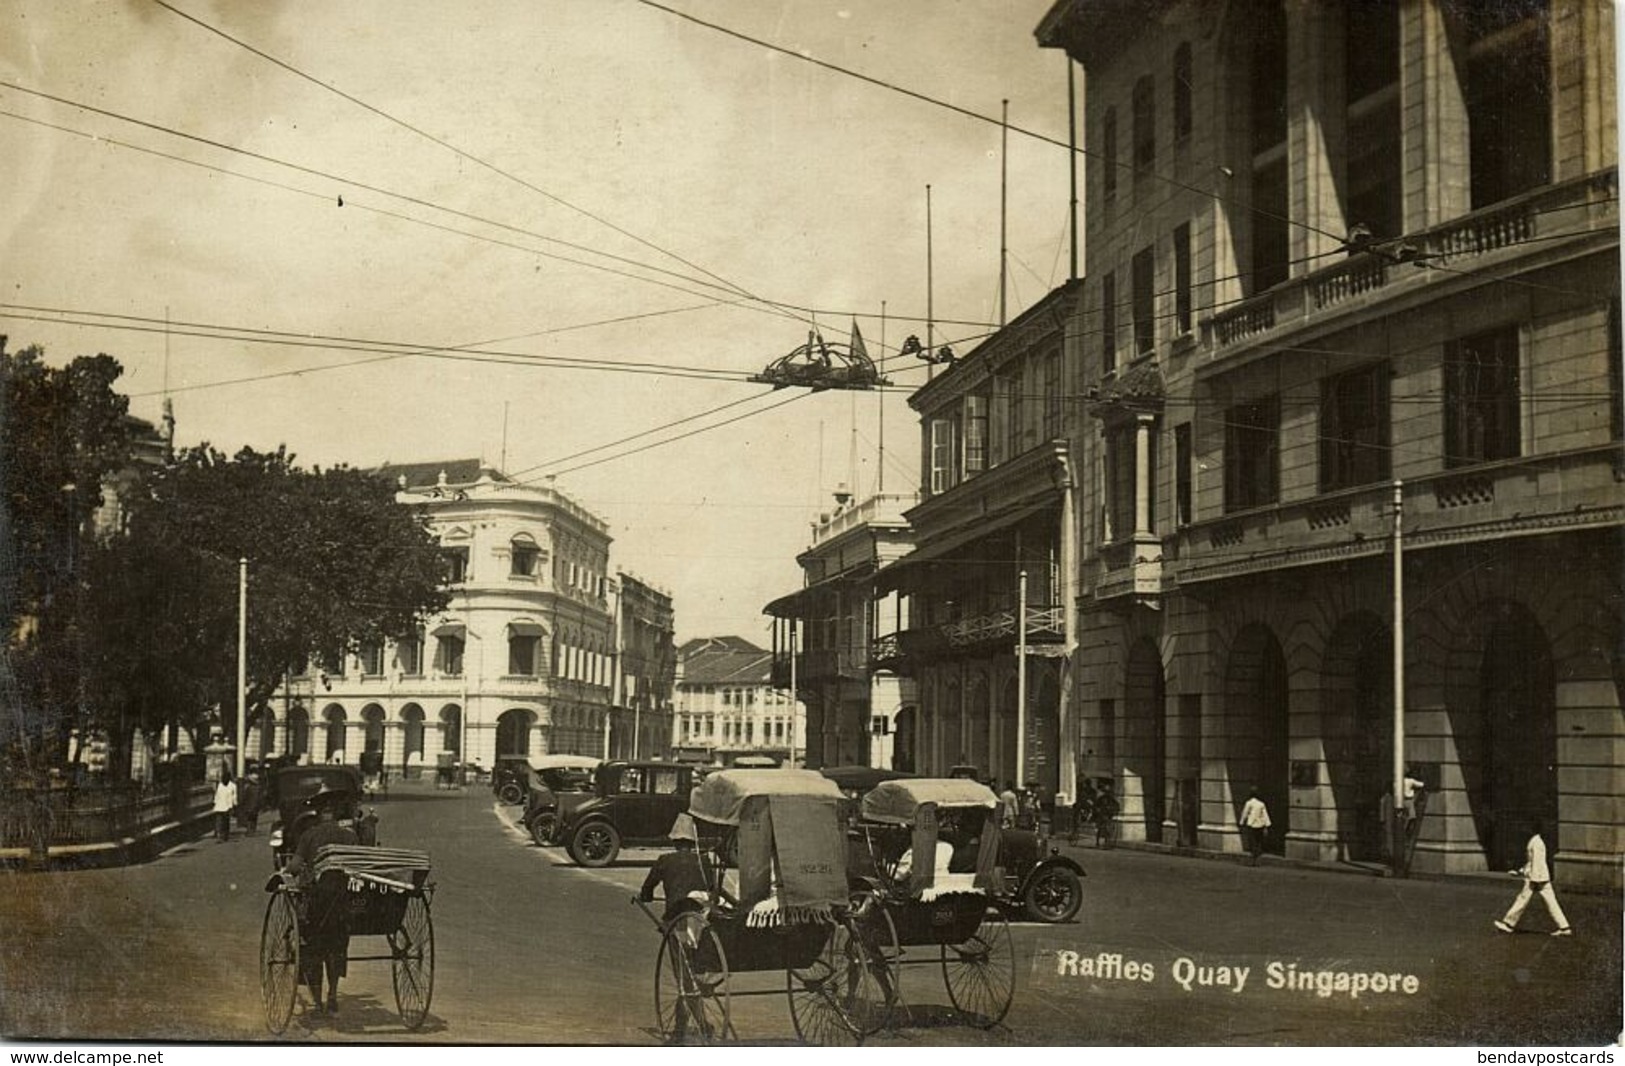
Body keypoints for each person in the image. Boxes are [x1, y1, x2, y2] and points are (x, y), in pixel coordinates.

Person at [293, 787, 360, 1015]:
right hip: (343, 903)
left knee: (313, 948)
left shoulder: (309, 835)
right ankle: (332, 993)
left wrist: (289, 869)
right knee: (337, 947)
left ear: (319, 813)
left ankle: (317, 1001)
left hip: (318, 904)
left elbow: (294, 866)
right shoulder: (350, 836)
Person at [1495, 821, 1572, 937]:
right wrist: (1520, 871)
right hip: (1540, 877)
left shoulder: (1536, 842)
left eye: (1527, 827)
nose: (1525, 830)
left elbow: (1537, 862)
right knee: (1551, 901)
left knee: (1522, 899)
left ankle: (1508, 924)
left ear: (1532, 829)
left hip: (1536, 878)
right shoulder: (1536, 841)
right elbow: (1532, 862)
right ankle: (1564, 927)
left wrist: (1535, 879)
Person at [639, 813, 712, 923]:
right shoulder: (704, 860)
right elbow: (711, 886)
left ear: (675, 842)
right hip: (700, 909)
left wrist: (646, 896)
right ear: (693, 843)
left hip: (675, 911)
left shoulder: (665, 860)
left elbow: (649, 884)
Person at [1238, 788, 1271, 866]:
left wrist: (1241, 822)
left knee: (1252, 842)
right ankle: (1257, 858)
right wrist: (1266, 826)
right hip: (1260, 825)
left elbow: (1245, 813)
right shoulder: (1261, 804)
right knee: (1259, 841)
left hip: (1251, 825)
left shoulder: (1248, 803)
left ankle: (1254, 858)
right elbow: (1265, 815)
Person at [212, 766, 237, 843]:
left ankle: (222, 836)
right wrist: (235, 804)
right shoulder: (231, 785)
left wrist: (215, 802)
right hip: (224, 806)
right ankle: (222, 835)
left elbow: (217, 795)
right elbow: (234, 796)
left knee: (222, 821)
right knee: (223, 822)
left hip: (223, 806)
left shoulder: (222, 785)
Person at [1092, 780, 1119, 849]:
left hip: (1108, 815)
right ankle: (1098, 842)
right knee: (1101, 828)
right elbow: (1096, 806)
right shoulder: (1101, 798)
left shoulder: (1111, 799)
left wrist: (1116, 810)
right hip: (1101, 815)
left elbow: (1116, 805)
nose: (1108, 794)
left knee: (1108, 828)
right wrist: (1098, 810)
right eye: (1107, 792)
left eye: (1108, 792)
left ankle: (1107, 842)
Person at [238, 771, 261, 836]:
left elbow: (245, 797)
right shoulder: (258, 788)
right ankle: (253, 830)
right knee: (254, 818)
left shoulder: (248, 788)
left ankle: (249, 831)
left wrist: (242, 803)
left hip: (249, 805)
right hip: (255, 805)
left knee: (249, 819)